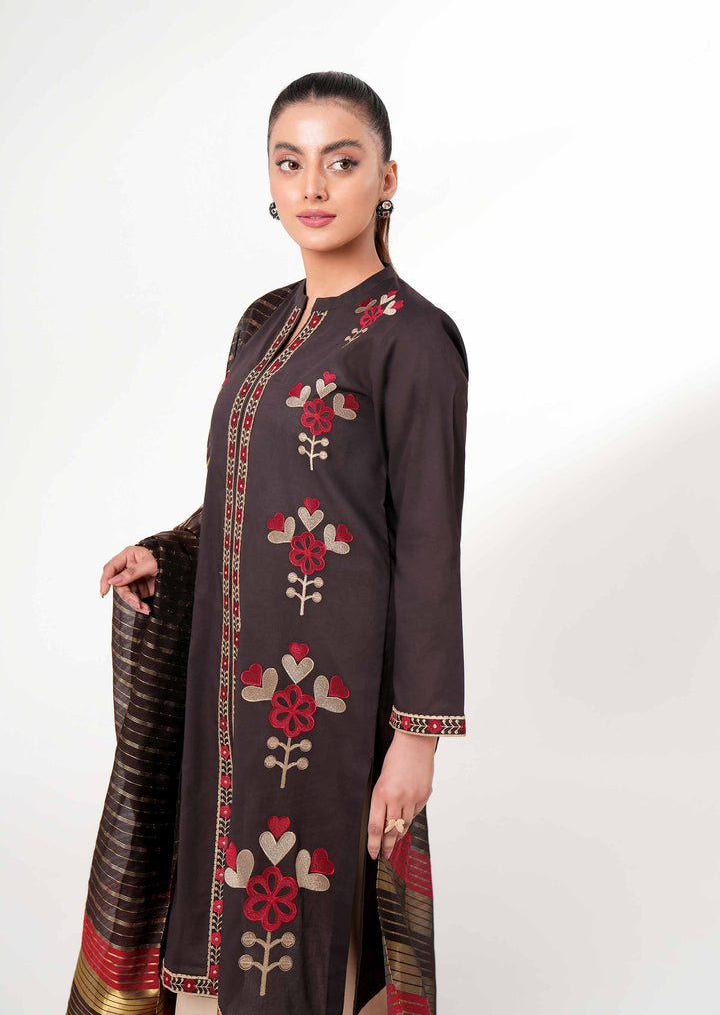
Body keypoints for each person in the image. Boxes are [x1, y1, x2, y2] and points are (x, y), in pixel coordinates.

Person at [77, 70, 468, 1015]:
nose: (314, 186)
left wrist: (416, 739)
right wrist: (172, 553)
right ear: (269, 180)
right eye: (291, 163)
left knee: (302, 934)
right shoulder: (264, 323)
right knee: (214, 931)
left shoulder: (413, 338)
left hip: (328, 701)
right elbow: (252, 492)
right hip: (231, 688)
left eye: (342, 161)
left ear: (387, 178)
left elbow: (429, 543)